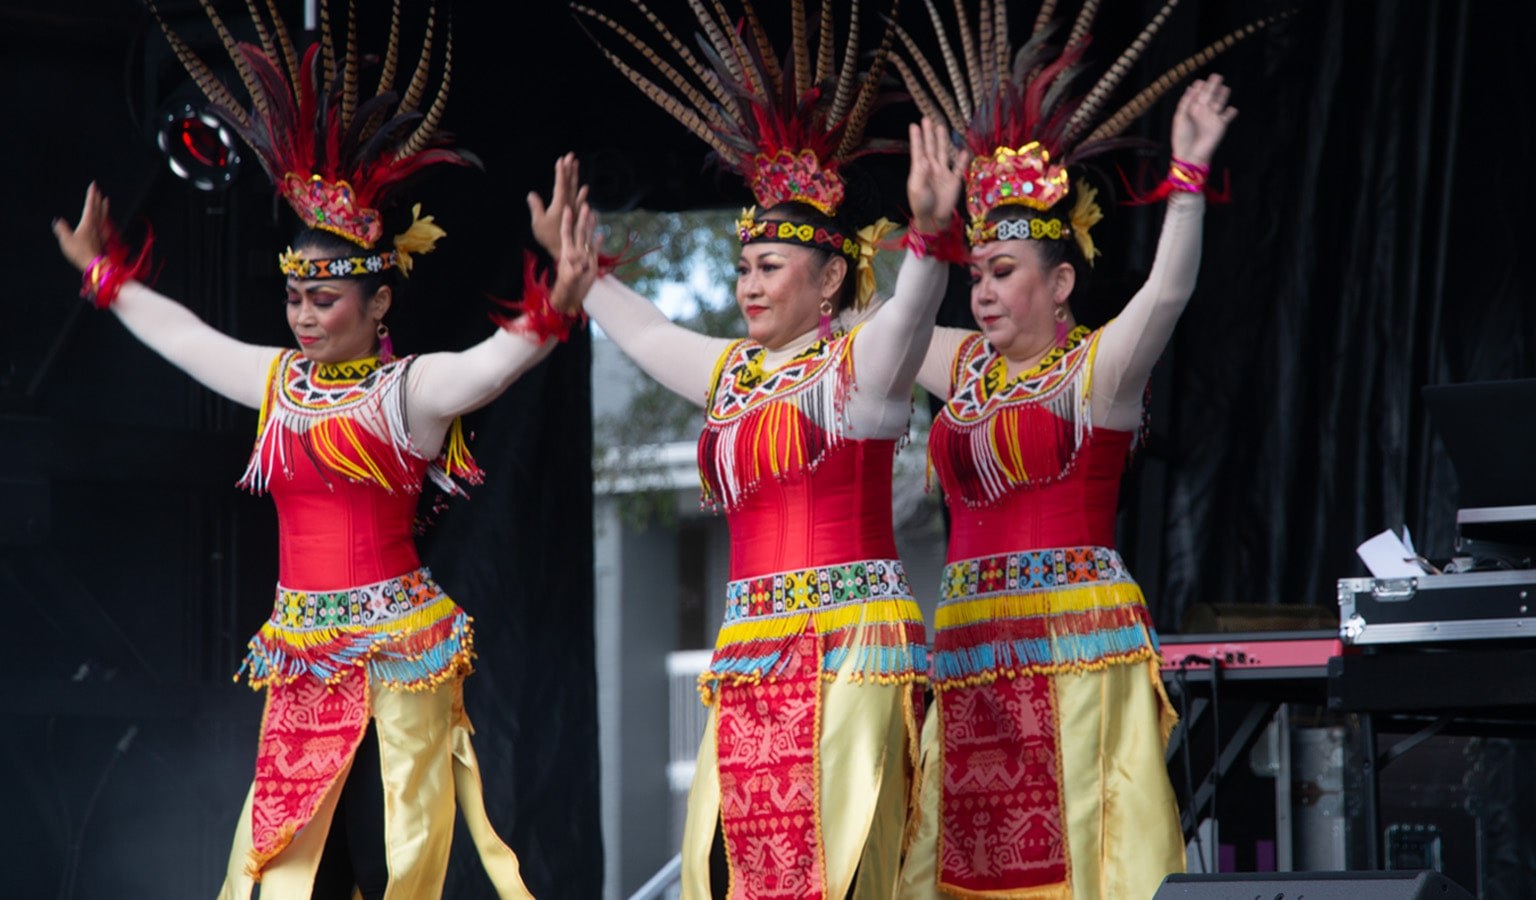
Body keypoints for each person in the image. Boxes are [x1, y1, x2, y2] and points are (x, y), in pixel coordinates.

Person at [51, 2, 578, 896]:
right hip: (301, 646)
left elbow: (492, 366)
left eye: (326, 299)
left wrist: (558, 300)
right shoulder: (277, 384)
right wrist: (110, 280)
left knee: (402, 842)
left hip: (400, 643)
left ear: (377, 306)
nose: (303, 315)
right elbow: (187, 341)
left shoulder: (407, 392)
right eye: (296, 297)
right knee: (290, 851)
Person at [543, 2, 967, 896]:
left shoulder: (863, 367)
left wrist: (929, 239)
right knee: (743, 870)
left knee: (849, 863)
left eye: (770, 267)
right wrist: (583, 272)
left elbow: (915, 311)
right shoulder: (732, 372)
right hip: (750, 655)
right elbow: (652, 333)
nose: (748, 285)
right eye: (742, 268)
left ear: (831, 279)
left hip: (853, 649)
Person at [889, 1, 1251, 896]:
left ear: (1060, 283)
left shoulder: (1099, 372)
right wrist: (925, 231)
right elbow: (875, 332)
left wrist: (1189, 173)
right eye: (975, 276)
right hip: (970, 649)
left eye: (1002, 274)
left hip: (1074, 648)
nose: (981, 293)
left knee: (1086, 860)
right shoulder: (961, 365)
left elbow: (1167, 294)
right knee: (968, 869)